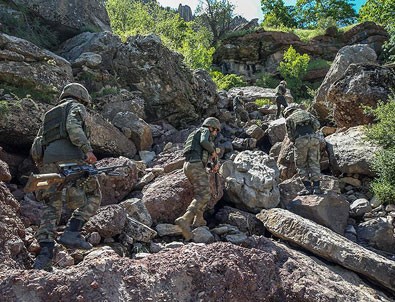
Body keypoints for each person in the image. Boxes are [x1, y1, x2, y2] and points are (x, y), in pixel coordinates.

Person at [32, 83, 102, 271]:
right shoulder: (75, 107)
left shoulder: (49, 115)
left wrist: (44, 167)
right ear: (81, 97)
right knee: (94, 195)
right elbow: (73, 126)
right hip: (72, 158)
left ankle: (45, 253)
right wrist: (87, 151)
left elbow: (37, 144)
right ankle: (72, 231)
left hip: (48, 162)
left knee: (51, 205)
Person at [175, 117, 221, 241]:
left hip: (188, 165)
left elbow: (199, 152)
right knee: (205, 194)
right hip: (195, 166)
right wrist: (213, 152)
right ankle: (185, 219)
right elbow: (203, 142)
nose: (216, 134)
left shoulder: (194, 133)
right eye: (216, 131)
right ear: (211, 127)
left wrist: (212, 165)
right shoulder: (204, 131)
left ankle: (198, 220)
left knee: (200, 193)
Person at [284, 104, 322, 195]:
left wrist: (296, 141)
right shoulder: (307, 113)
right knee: (314, 162)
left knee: (301, 165)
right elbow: (317, 125)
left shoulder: (289, 119)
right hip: (313, 139)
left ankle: (308, 188)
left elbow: (290, 135)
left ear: (289, 112)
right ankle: (317, 187)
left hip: (301, 140)